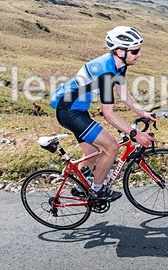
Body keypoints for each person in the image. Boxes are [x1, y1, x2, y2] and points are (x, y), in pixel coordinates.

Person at [50, 26, 155, 201]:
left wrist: (142, 112)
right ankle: (97, 189)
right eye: (135, 51)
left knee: (94, 153)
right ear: (121, 51)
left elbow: (123, 95)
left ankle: (79, 187)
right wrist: (134, 134)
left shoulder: (118, 66)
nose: (139, 54)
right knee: (112, 146)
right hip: (69, 111)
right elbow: (109, 114)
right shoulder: (106, 71)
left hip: (77, 110)